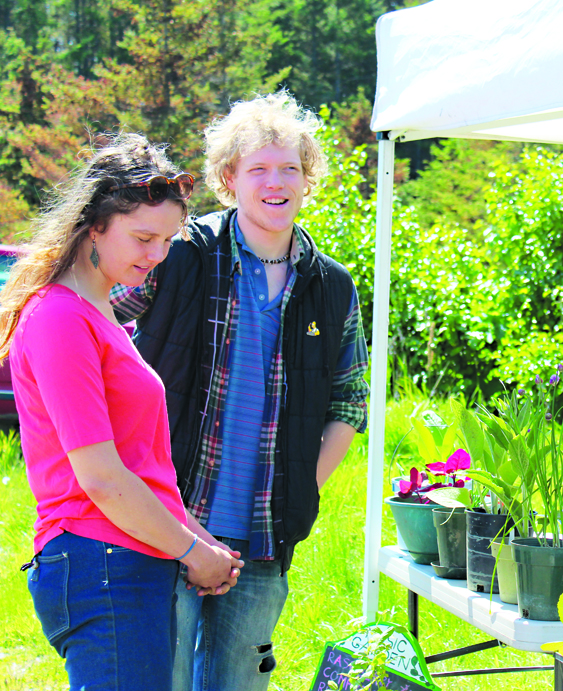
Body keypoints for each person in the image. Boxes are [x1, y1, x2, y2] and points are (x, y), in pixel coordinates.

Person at [111, 92, 370, 691]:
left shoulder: (332, 287)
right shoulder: (180, 256)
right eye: (258, 168)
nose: (275, 183)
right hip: (165, 525)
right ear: (230, 178)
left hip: (262, 538)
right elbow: (98, 320)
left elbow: (348, 402)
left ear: (308, 180)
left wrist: (302, 483)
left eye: (290, 169)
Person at [0, 134, 243, 691]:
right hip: (99, 559)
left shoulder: (101, 310)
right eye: (142, 237)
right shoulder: (61, 318)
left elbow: (141, 467)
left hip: (125, 556)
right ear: (94, 226)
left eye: (166, 240)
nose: (156, 254)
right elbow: (103, 478)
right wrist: (191, 550)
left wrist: (201, 543)